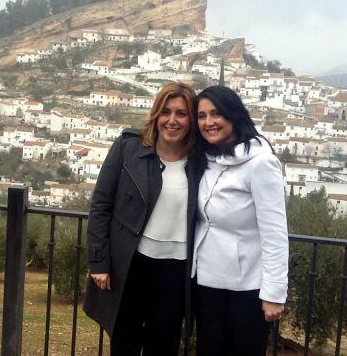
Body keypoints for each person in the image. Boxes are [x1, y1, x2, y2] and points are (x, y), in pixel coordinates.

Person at [84, 82, 202, 356]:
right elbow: (101, 204)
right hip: (132, 265)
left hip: (177, 271)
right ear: (156, 115)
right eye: (166, 112)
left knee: (164, 346)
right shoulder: (129, 147)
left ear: (191, 119)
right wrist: (99, 262)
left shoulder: (201, 160)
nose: (172, 120)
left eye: (182, 114)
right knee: (124, 342)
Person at [192, 85, 289, 356]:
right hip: (206, 282)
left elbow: (275, 232)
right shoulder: (208, 159)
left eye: (216, 114)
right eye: (201, 116)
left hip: (246, 287)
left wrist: (274, 293)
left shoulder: (261, 163)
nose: (209, 122)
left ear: (234, 116)